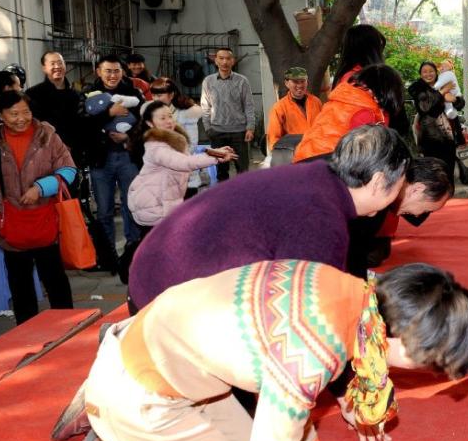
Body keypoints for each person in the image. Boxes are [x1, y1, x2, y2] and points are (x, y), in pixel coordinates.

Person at [37, 259, 468, 441]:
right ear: (400, 337)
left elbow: (289, 384)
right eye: (425, 364)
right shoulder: (317, 349)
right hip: (137, 394)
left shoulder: (347, 291)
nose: (417, 374)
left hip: (164, 367)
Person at [128, 124, 411, 312]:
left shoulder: (318, 178)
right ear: (378, 181)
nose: (401, 194)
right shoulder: (322, 217)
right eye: (401, 184)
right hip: (165, 302)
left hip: (156, 275)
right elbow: (311, 316)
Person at [0, 91, 77, 325]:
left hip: (45, 221)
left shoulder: (47, 136)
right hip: (11, 221)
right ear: (0, 115)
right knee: (20, 284)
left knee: (55, 279)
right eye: (14, 114)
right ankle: (27, 331)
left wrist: (40, 188)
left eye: (26, 112)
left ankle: (69, 326)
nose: (21, 118)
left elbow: (68, 170)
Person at [127, 101, 236, 237]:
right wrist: (217, 157)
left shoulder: (173, 140)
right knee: (157, 249)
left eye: (170, 116)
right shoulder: (156, 146)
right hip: (152, 205)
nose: (168, 121)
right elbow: (184, 162)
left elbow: (189, 157)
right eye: (162, 118)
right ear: (150, 123)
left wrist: (215, 152)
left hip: (164, 201)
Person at [346, 156, 454, 278]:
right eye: (426, 210)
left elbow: (355, 254)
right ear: (417, 189)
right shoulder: (372, 191)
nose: (418, 215)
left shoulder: (385, 194)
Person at [79, 54, 145, 256]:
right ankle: (107, 254)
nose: (112, 75)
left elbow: (145, 123)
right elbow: (82, 124)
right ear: (99, 71)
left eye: (116, 70)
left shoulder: (133, 93)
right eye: (108, 70)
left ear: (122, 72)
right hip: (101, 159)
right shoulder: (88, 93)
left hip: (128, 157)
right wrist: (110, 113)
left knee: (131, 205)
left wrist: (128, 137)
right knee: (104, 209)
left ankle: (133, 249)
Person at [293, 63, 405, 163]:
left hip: (304, 158)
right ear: (386, 91)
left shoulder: (344, 99)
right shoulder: (363, 112)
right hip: (325, 164)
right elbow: (365, 157)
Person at [199, 46, 254, 181]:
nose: (224, 62)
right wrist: (208, 128)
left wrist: (250, 127)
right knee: (221, 171)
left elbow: (249, 105)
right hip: (217, 132)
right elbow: (205, 106)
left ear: (233, 61)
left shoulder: (242, 81)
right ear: (215, 61)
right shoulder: (208, 81)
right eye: (221, 58)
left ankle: (244, 199)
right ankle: (224, 200)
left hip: (239, 132)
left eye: (228, 58)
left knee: (243, 170)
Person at [148, 77, 206, 196]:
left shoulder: (186, 113)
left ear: (171, 95)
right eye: (153, 95)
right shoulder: (151, 113)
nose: (155, 99)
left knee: (188, 208)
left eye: (159, 95)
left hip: (182, 166)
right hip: (160, 168)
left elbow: (191, 143)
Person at [27, 52, 83, 160]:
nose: (57, 67)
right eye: (52, 64)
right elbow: (34, 125)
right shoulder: (33, 94)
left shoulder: (76, 94)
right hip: (46, 154)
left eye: (60, 63)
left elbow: (80, 124)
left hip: (74, 153)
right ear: (44, 68)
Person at [264, 66, 323, 153]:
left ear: (307, 82)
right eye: (295, 82)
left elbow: (324, 127)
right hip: (294, 155)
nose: (299, 85)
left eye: (303, 81)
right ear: (286, 83)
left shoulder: (316, 102)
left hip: (317, 152)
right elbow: (274, 140)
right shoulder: (279, 107)